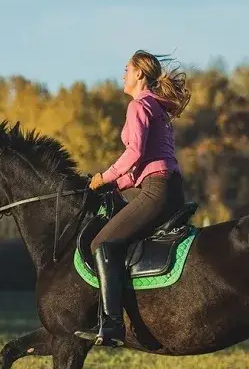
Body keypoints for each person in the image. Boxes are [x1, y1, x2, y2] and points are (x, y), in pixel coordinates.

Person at [75, 50, 191, 347]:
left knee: (101, 243)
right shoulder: (157, 108)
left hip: (156, 189)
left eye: (126, 69)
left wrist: (103, 177)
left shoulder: (139, 105)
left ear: (139, 74)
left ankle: (112, 325)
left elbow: (134, 154)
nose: (123, 74)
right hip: (168, 186)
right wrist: (116, 186)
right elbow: (145, 163)